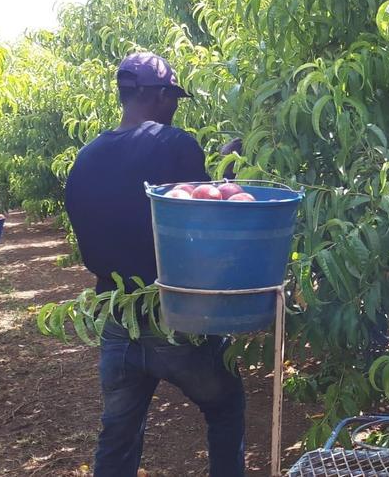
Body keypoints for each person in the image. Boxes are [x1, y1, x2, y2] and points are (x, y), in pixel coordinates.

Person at [65, 52, 246, 477]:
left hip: (116, 316)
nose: (176, 107)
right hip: (173, 314)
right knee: (225, 407)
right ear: (158, 95)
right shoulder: (173, 143)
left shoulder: (86, 157)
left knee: (118, 433)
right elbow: (206, 217)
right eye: (174, 97)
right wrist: (228, 169)